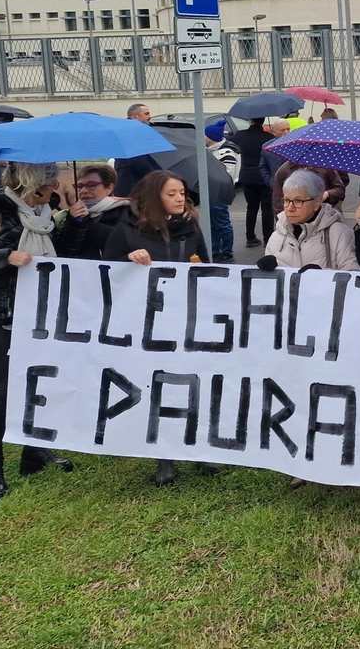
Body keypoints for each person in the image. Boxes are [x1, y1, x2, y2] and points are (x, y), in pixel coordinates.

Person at [0, 162, 78, 500]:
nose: (55, 194)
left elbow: (60, 255)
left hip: (40, 313)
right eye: (53, 187)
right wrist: (5, 256)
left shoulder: (41, 216)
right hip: (2, 316)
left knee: (40, 381)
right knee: (4, 390)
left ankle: (34, 452)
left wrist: (75, 220)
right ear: (36, 187)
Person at [104, 171, 213, 487]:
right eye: (172, 193)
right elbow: (104, 274)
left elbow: (208, 265)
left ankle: (199, 449)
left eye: (182, 192)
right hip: (146, 322)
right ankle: (164, 457)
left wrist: (200, 269)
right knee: (160, 386)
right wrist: (129, 259)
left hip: (187, 317)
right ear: (154, 198)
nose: (181, 198)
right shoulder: (127, 229)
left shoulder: (189, 225)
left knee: (193, 382)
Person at [266, 169, 360, 271]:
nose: (290, 208)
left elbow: (352, 275)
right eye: (287, 200)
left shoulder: (340, 234)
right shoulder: (276, 236)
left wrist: (320, 276)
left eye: (298, 201)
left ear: (317, 203)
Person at [57, 163, 131, 259]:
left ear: (110, 187)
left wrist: (87, 222)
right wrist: (74, 223)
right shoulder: (67, 216)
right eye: (79, 186)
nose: (83, 191)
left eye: (91, 185)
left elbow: (121, 243)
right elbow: (63, 252)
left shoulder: (126, 212)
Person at [231, 117, 276, 247]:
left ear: (250, 120)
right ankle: (268, 238)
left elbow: (231, 141)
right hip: (263, 177)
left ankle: (250, 237)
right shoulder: (268, 137)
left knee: (251, 207)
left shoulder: (241, 135)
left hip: (247, 176)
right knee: (267, 209)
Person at [203, 121, 238, 262]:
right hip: (211, 193)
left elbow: (226, 175)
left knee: (222, 224)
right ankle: (215, 251)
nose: (202, 138)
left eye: (204, 135)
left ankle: (227, 252)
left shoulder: (226, 152)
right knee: (212, 224)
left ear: (211, 137)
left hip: (219, 193)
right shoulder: (210, 151)